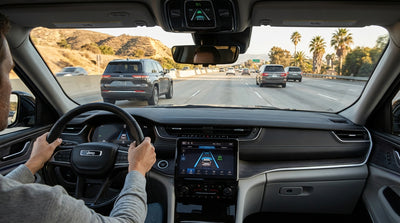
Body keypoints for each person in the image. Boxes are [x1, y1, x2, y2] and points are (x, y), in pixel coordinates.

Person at [0, 13, 158, 223]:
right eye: (8, 72)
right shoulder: (47, 206)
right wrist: (137, 169)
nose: (11, 85)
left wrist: (34, 162)